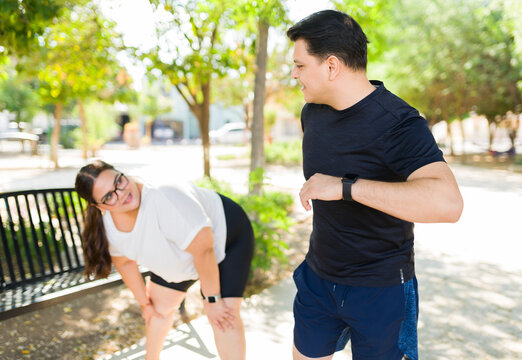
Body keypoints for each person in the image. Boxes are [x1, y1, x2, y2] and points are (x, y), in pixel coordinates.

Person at [286, 10, 463, 360]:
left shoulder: (399, 123)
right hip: (318, 278)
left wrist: (346, 187)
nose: (293, 74)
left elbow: (448, 204)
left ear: (332, 66)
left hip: (382, 290)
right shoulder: (312, 113)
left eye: (300, 65)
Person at [74, 160, 254, 360]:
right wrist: (145, 304)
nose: (121, 193)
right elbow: (124, 263)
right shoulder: (108, 227)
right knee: (156, 314)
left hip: (226, 238)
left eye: (119, 181)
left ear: (122, 173)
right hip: (182, 252)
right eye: (109, 196)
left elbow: (204, 250)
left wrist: (212, 300)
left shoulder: (163, 196)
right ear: (97, 206)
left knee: (223, 317)